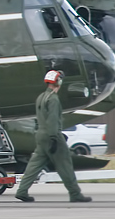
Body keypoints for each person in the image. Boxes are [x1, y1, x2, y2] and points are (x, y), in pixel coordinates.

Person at [14, 70, 92, 203]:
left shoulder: (41, 97)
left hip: (41, 135)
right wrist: (54, 138)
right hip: (52, 135)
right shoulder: (53, 99)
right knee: (65, 165)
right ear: (58, 82)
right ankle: (75, 194)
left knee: (34, 166)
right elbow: (53, 120)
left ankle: (22, 191)